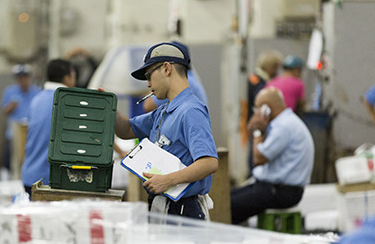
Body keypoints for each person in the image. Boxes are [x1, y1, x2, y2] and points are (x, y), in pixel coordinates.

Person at [114, 41, 219, 219]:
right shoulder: (164, 111)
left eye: (149, 75)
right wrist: (106, 106)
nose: (148, 84)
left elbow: (209, 162)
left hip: (185, 210)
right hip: (166, 206)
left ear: (166, 69)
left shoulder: (190, 111)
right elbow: (126, 130)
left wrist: (168, 180)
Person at [230, 87, 314, 224]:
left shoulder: (283, 127)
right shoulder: (284, 122)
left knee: (228, 206)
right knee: (226, 199)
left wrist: (258, 131)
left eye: (256, 109)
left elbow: (259, 158)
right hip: (273, 188)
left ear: (265, 109)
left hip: (282, 192)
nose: (255, 113)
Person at [21, 59, 76, 195]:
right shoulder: (69, 100)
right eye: (74, 75)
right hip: (53, 181)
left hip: (30, 177)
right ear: (67, 77)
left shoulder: (36, 100)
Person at [242, 50, 283, 173]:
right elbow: (260, 101)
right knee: (256, 151)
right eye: (275, 67)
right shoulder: (257, 81)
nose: (276, 72)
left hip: (255, 122)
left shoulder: (257, 79)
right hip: (257, 123)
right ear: (269, 67)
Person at [1, 64, 41, 172]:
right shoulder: (10, 91)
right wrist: (11, 106)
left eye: (24, 76)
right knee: (15, 159)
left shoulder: (36, 92)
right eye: (19, 77)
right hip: (14, 131)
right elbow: (5, 111)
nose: (22, 80)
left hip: (32, 130)